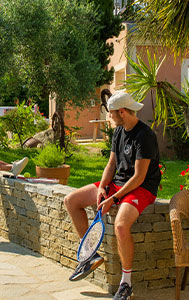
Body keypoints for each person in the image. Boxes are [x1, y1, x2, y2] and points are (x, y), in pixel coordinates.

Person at [63, 91, 162, 300]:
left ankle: (126, 284)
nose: (109, 116)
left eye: (111, 113)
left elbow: (139, 177)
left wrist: (113, 199)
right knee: (71, 200)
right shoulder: (119, 131)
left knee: (120, 226)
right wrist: (102, 188)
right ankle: (90, 256)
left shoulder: (145, 136)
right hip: (118, 184)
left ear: (123, 112)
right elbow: (112, 164)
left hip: (142, 187)